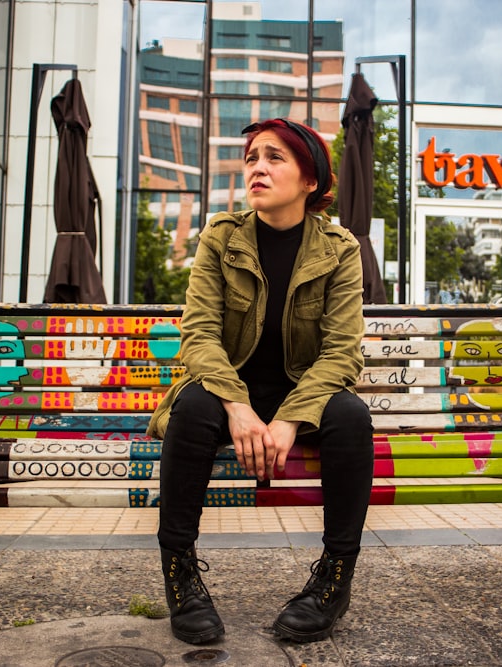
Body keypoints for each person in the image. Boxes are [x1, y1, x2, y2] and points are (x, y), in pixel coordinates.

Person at [147, 118, 375, 645]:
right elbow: (199, 335)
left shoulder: (339, 250)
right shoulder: (221, 238)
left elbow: (342, 352)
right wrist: (238, 405)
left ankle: (334, 582)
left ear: (309, 180)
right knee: (193, 408)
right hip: (229, 389)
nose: (258, 167)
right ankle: (180, 576)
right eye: (252, 157)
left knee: (350, 415)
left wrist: (292, 420)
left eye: (275, 158)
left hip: (301, 391)